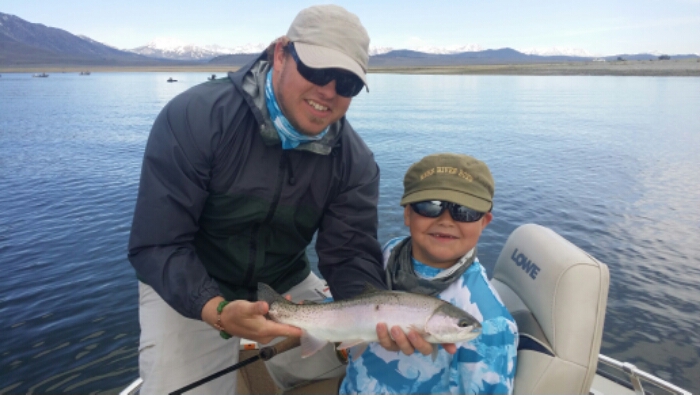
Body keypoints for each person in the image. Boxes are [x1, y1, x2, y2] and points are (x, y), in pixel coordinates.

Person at [128, 5, 434, 394]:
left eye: (347, 84)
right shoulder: (195, 118)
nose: (328, 92)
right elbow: (157, 245)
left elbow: (350, 253)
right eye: (318, 71)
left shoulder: (354, 163)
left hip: (285, 284)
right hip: (190, 283)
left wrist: (370, 316)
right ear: (280, 53)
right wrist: (216, 309)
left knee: (371, 361)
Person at [340, 153, 519, 394]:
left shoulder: (492, 325)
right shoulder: (390, 252)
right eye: (430, 206)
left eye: (464, 211)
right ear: (407, 214)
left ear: (484, 222)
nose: (446, 220)